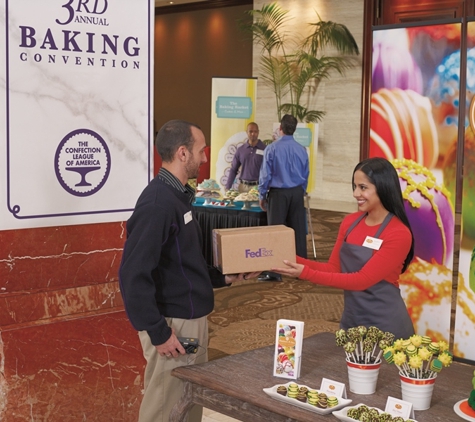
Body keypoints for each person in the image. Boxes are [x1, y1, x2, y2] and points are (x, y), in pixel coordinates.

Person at [119, 120, 258, 422]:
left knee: (188, 402)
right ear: (182, 153)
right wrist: (158, 332)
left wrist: (224, 277)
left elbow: (183, 262)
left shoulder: (177, 196)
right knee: (166, 408)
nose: (205, 157)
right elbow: (132, 274)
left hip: (189, 320)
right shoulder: (158, 203)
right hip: (174, 326)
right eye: (201, 150)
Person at [271, 157, 415, 340]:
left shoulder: (398, 233)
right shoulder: (350, 222)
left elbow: (362, 280)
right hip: (352, 322)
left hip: (386, 327)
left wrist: (304, 273)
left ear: (383, 187)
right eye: (354, 186)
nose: (356, 193)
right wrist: (285, 259)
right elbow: (334, 268)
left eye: (363, 187)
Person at [258, 114, 309, 281]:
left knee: (276, 232)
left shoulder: (271, 148)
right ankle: (302, 270)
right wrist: (300, 191)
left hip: (278, 194)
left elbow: (265, 174)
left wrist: (262, 194)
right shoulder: (302, 149)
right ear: (294, 130)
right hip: (296, 192)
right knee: (298, 231)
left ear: (280, 128)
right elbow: (306, 173)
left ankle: (274, 272)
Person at [225, 122, 266, 192]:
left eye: (255, 131)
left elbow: (269, 170)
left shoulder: (265, 149)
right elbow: (233, 169)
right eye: (250, 131)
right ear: (247, 132)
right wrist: (228, 187)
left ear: (258, 132)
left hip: (258, 188)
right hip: (243, 187)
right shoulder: (240, 150)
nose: (253, 134)